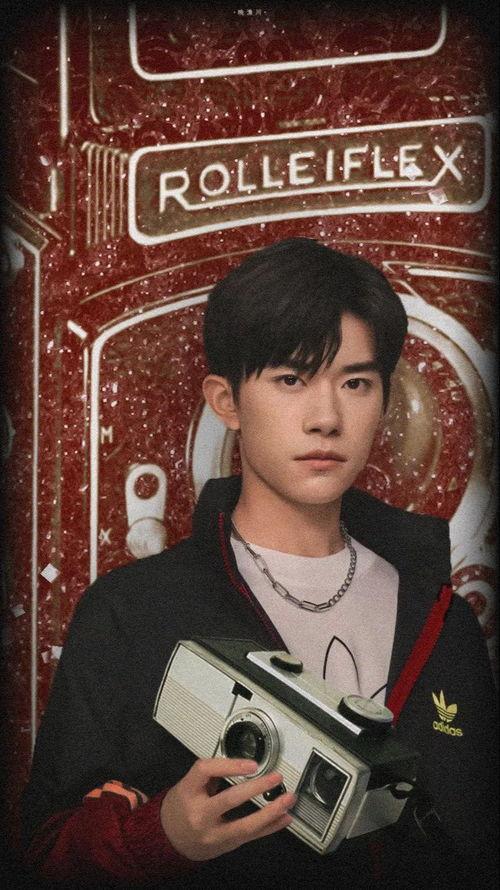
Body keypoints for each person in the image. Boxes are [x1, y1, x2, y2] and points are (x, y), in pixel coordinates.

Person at [21, 239, 497, 888]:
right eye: (291, 379)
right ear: (227, 401)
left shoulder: (445, 625)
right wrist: (163, 835)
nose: (326, 418)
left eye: (355, 383)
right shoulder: (130, 612)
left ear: (385, 401)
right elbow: (39, 859)